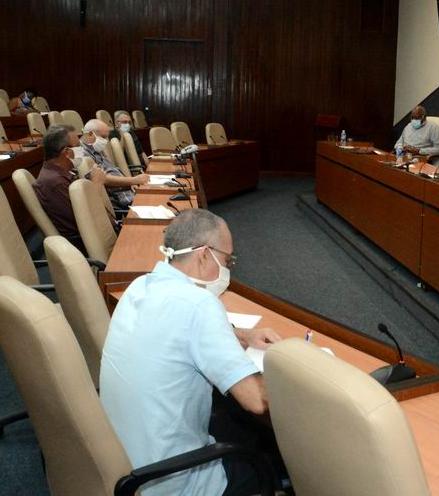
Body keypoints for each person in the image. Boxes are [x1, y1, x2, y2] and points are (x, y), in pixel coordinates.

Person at [100, 209, 285, 495]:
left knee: (231, 421)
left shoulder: (139, 286)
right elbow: (257, 401)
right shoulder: (199, 305)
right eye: (227, 260)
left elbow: (175, 332)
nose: (228, 268)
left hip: (124, 461)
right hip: (173, 481)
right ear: (203, 255)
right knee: (271, 461)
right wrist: (297, 365)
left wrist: (240, 334)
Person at [33, 125, 105, 253]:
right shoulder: (54, 182)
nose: (81, 149)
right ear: (66, 152)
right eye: (78, 146)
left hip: (98, 232)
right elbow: (88, 218)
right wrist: (97, 183)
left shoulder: (62, 172)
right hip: (89, 244)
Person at [80, 119, 148, 209]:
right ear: (90, 134)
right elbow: (102, 178)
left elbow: (111, 170)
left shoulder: (94, 148)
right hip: (124, 201)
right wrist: (133, 180)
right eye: (103, 137)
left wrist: (131, 183)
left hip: (129, 193)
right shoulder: (81, 154)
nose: (106, 141)